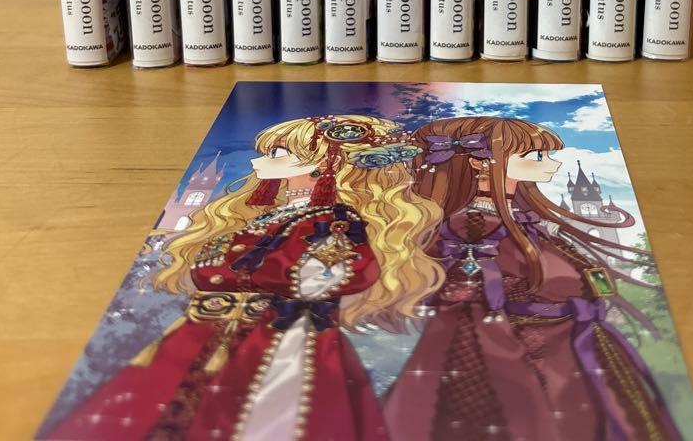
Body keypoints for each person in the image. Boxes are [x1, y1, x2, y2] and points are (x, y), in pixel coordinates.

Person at [46, 115, 444, 441]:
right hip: (210, 329)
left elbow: (328, 277)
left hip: (279, 337)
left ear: (322, 164)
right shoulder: (277, 215)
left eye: (280, 153)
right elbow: (216, 268)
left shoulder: (333, 220)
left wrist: (250, 276)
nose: (262, 160)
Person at [385, 116, 683, 441]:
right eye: (536, 155)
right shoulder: (473, 228)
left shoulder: (523, 222)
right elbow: (466, 311)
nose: (552, 163)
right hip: (530, 363)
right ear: (479, 163)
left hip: (573, 354)